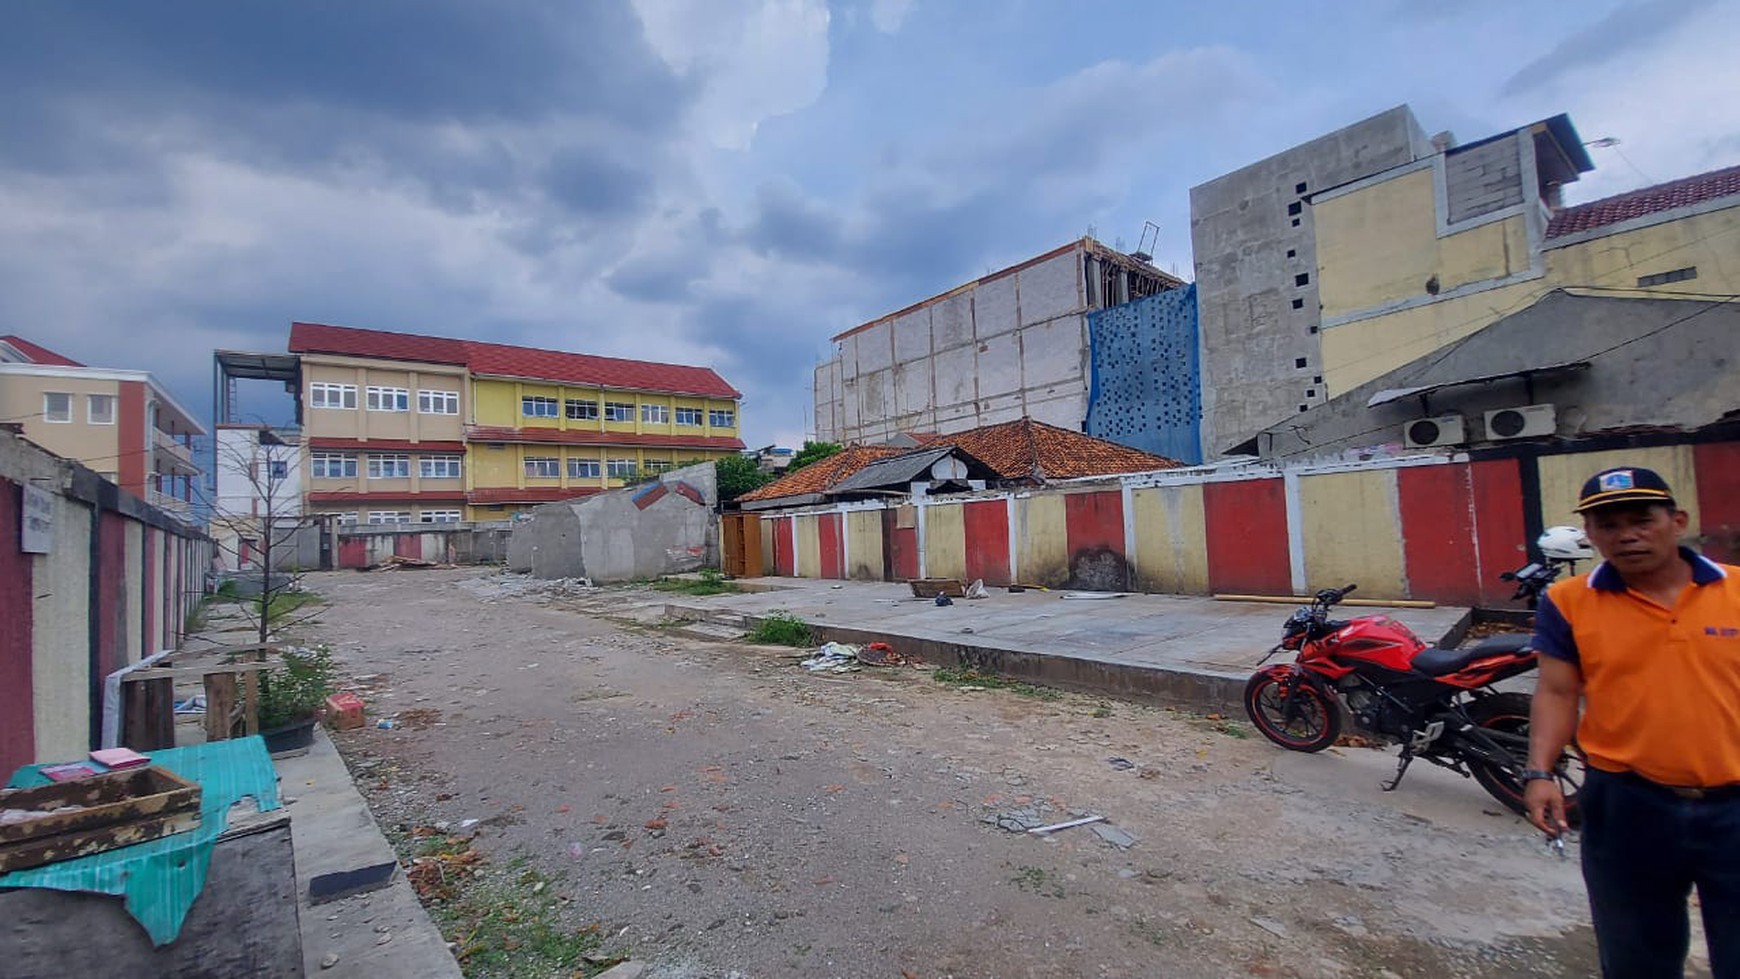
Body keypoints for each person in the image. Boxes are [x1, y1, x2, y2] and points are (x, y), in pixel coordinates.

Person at [1526, 465, 1740, 977]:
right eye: (1608, 525)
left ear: (1677, 520)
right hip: (1627, 805)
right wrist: (1540, 772)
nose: (1626, 535)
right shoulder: (1566, 602)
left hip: (1734, 806)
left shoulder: (1735, 590)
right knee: (1636, 959)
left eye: (1642, 520)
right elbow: (1557, 691)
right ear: (1591, 535)